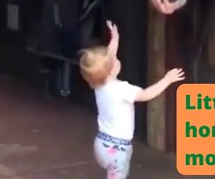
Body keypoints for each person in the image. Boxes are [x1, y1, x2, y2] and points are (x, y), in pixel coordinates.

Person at [79, 20, 185, 179]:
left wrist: (114, 39)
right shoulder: (123, 89)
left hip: (101, 145)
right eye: (113, 59)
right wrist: (167, 80)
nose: (116, 58)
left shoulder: (98, 85)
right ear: (110, 70)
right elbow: (147, 94)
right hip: (118, 149)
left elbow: (107, 59)